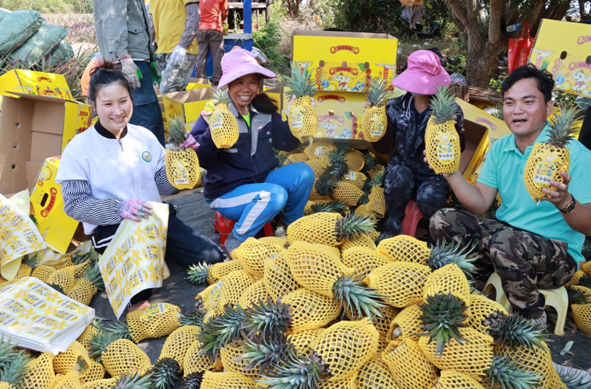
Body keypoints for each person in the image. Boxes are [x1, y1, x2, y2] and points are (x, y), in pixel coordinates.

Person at [428, 65, 591, 322]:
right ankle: (471, 291)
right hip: (506, 237)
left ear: (548, 108)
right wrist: (450, 172)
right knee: (442, 220)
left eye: (528, 102)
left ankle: (530, 316)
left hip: (556, 256)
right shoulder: (501, 146)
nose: (517, 110)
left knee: (507, 241)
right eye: (509, 103)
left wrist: (564, 201)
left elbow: (589, 226)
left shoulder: (576, 155)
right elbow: (480, 204)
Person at [56, 64, 224, 308]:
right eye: (108, 104)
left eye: (123, 101)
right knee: (139, 296)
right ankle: (148, 262)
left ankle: (159, 252)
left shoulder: (143, 136)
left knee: (213, 258)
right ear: (94, 105)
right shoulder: (79, 149)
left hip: (155, 219)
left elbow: (164, 187)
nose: (117, 111)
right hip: (115, 228)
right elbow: (75, 204)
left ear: (131, 99)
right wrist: (119, 209)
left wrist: (179, 159)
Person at [190, 49, 314, 255]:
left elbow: (288, 144)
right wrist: (213, 131)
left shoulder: (263, 109)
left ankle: (290, 229)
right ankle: (235, 240)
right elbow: (201, 159)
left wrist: (296, 118)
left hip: (262, 180)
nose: (246, 89)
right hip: (227, 190)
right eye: (239, 82)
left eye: (252, 82)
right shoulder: (214, 114)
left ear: (259, 84)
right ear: (228, 85)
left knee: (304, 172)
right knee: (275, 196)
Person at [370, 50, 465, 235]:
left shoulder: (450, 110)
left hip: (434, 175)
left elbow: (458, 149)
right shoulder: (394, 107)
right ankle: (392, 227)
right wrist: (376, 125)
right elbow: (385, 148)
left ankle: (433, 235)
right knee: (399, 178)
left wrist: (453, 133)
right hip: (401, 168)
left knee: (430, 197)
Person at [92, 0, 166, 146]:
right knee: (144, 122)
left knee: (152, 119)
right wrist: (124, 58)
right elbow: (113, 17)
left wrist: (150, 58)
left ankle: (156, 165)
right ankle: (147, 166)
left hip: (135, 58)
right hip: (129, 60)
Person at [149, 0, 200, 94]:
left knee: (168, 89)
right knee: (163, 91)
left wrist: (183, 45)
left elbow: (195, 16)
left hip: (182, 49)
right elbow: (151, 24)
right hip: (161, 50)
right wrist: (148, 47)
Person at [195, 0, 228, 85]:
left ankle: (200, 79)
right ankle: (217, 78)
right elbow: (225, 12)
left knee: (201, 55)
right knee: (217, 55)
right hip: (215, 27)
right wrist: (222, 19)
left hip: (200, 28)